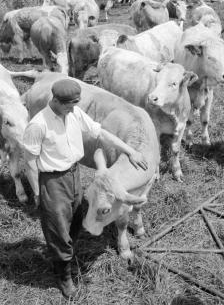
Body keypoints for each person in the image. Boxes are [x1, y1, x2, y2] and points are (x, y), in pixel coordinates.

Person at [23, 78, 147, 299]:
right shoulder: (38, 125)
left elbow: (99, 132)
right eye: (70, 104)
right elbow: (30, 161)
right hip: (52, 180)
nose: (74, 109)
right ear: (57, 101)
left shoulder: (73, 113)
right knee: (57, 227)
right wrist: (37, 192)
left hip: (74, 173)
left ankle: (69, 255)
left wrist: (129, 151)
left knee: (76, 218)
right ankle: (64, 276)